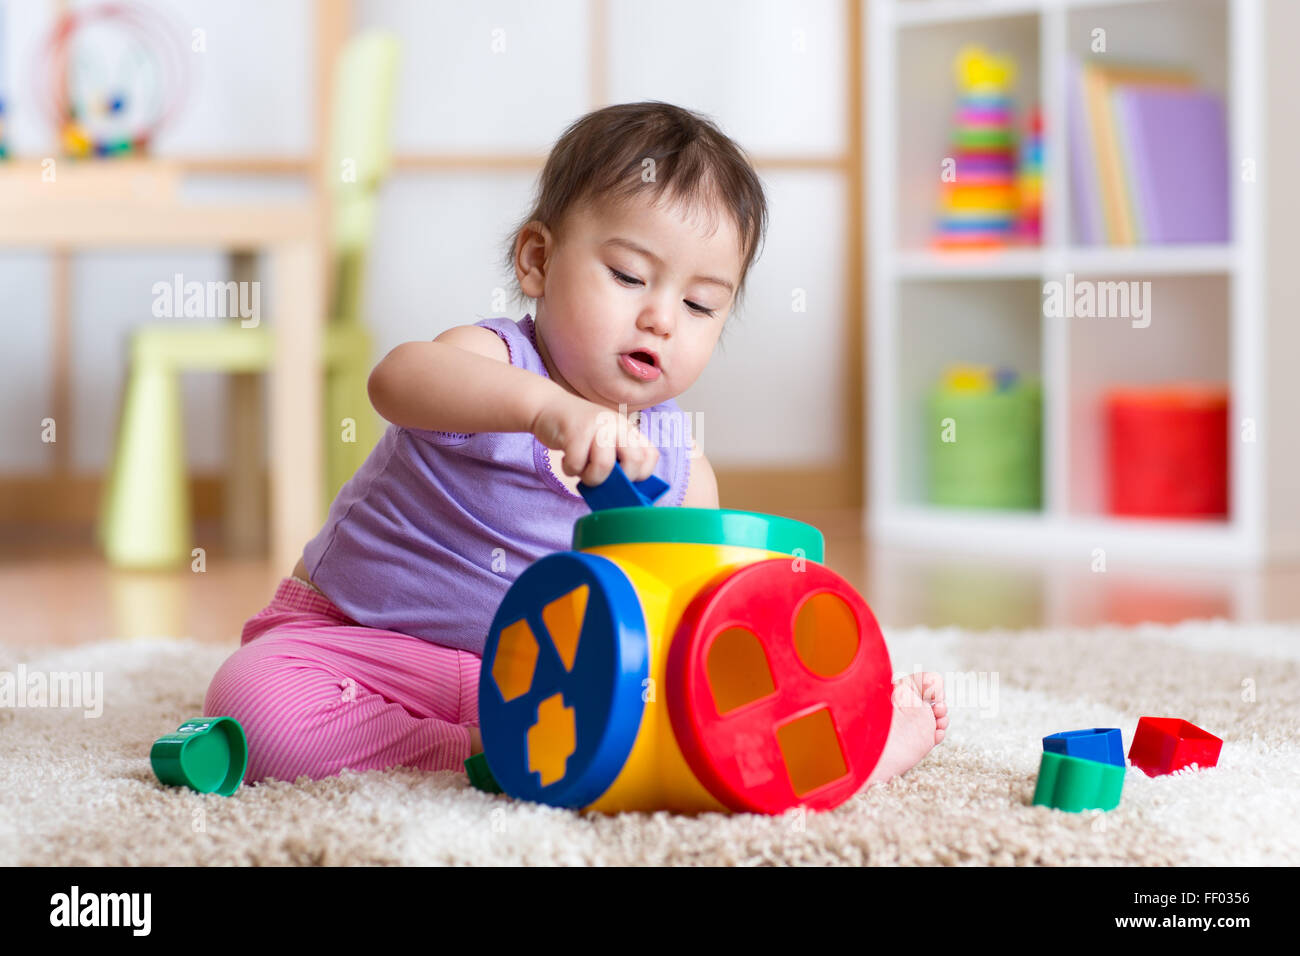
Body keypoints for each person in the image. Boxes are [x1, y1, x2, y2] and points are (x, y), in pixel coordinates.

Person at [205, 100, 947, 788]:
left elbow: (686, 622)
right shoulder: (496, 361)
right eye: (629, 276)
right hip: (363, 647)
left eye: (699, 304)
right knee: (253, 707)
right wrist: (545, 411)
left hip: (543, 682)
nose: (661, 317)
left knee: (686, 689)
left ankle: (834, 752)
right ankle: (477, 753)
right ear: (536, 262)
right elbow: (397, 379)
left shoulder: (684, 469)